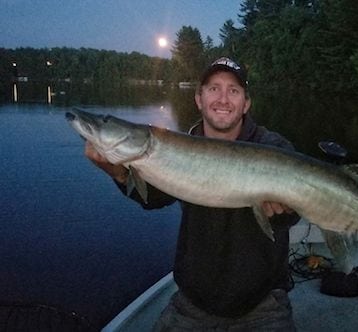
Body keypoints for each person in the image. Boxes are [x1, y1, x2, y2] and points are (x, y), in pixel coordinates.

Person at [85, 57, 300, 331]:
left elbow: (289, 217)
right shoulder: (178, 144)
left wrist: (284, 212)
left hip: (263, 303)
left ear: (246, 103)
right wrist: (118, 173)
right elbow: (155, 198)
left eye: (233, 91)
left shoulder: (274, 147)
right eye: (213, 88)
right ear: (199, 98)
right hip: (194, 304)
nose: (223, 99)